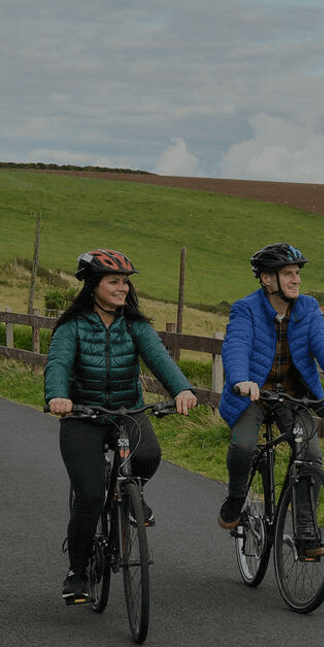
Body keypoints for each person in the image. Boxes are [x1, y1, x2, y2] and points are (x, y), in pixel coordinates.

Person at [44, 249, 198, 603]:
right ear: (92, 285)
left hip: (127, 411)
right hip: (83, 415)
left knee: (148, 455)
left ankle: (132, 495)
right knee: (90, 496)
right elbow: (58, 363)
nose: (122, 288)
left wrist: (182, 389)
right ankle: (78, 573)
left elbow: (160, 358)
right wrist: (57, 396)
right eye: (114, 281)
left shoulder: (135, 325)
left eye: (125, 282)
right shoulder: (73, 326)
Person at [217, 243, 324, 559]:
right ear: (267, 279)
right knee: (243, 447)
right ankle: (235, 499)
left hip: (293, 398)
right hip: (253, 396)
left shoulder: (308, 308)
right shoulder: (246, 309)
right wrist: (241, 380)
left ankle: (306, 537)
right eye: (288, 274)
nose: (296, 280)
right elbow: (236, 346)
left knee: (309, 457)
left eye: (297, 273)